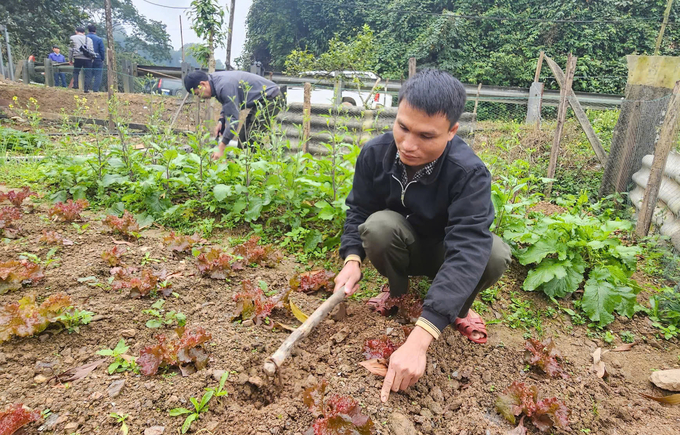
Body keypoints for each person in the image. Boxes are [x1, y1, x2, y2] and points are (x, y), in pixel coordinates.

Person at [334, 69, 512, 402]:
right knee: (378, 226)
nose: (408, 145)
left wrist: (419, 341)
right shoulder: (375, 154)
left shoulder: (468, 173)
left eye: (426, 136)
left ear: (452, 132)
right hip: (406, 244)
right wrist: (352, 258)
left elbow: (468, 248)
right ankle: (398, 293)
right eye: (402, 127)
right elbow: (358, 209)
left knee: (494, 253)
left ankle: (456, 309)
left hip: (448, 250)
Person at [183, 70, 284, 159]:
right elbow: (227, 103)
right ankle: (243, 168)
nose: (199, 97)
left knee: (253, 137)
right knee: (243, 138)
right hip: (261, 100)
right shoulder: (215, 81)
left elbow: (233, 122)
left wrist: (221, 148)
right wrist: (221, 121)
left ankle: (261, 170)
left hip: (271, 98)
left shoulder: (224, 85)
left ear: (203, 84)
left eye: (197, 93)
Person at [69, 26, 95, 93]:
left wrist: (70, 59)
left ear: (76, 31)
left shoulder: (72, 38)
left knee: (76, 71)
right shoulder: (89, 39)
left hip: (77, 57)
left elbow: (70, 49)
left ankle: (75, 85)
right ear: (84, 32)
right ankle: (86, 88)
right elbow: (91, 50)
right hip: (87, 58)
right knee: (88, 73)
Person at [86, 24, 106, 92]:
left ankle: (86, 88)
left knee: (88, 74)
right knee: (98, 74)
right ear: (95, 30)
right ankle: (95, 89)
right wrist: (102, 58)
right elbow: (102, 50)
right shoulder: (99, 39)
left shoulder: (85, 38)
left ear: (88, 30)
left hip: (87, 59)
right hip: (97, 58)